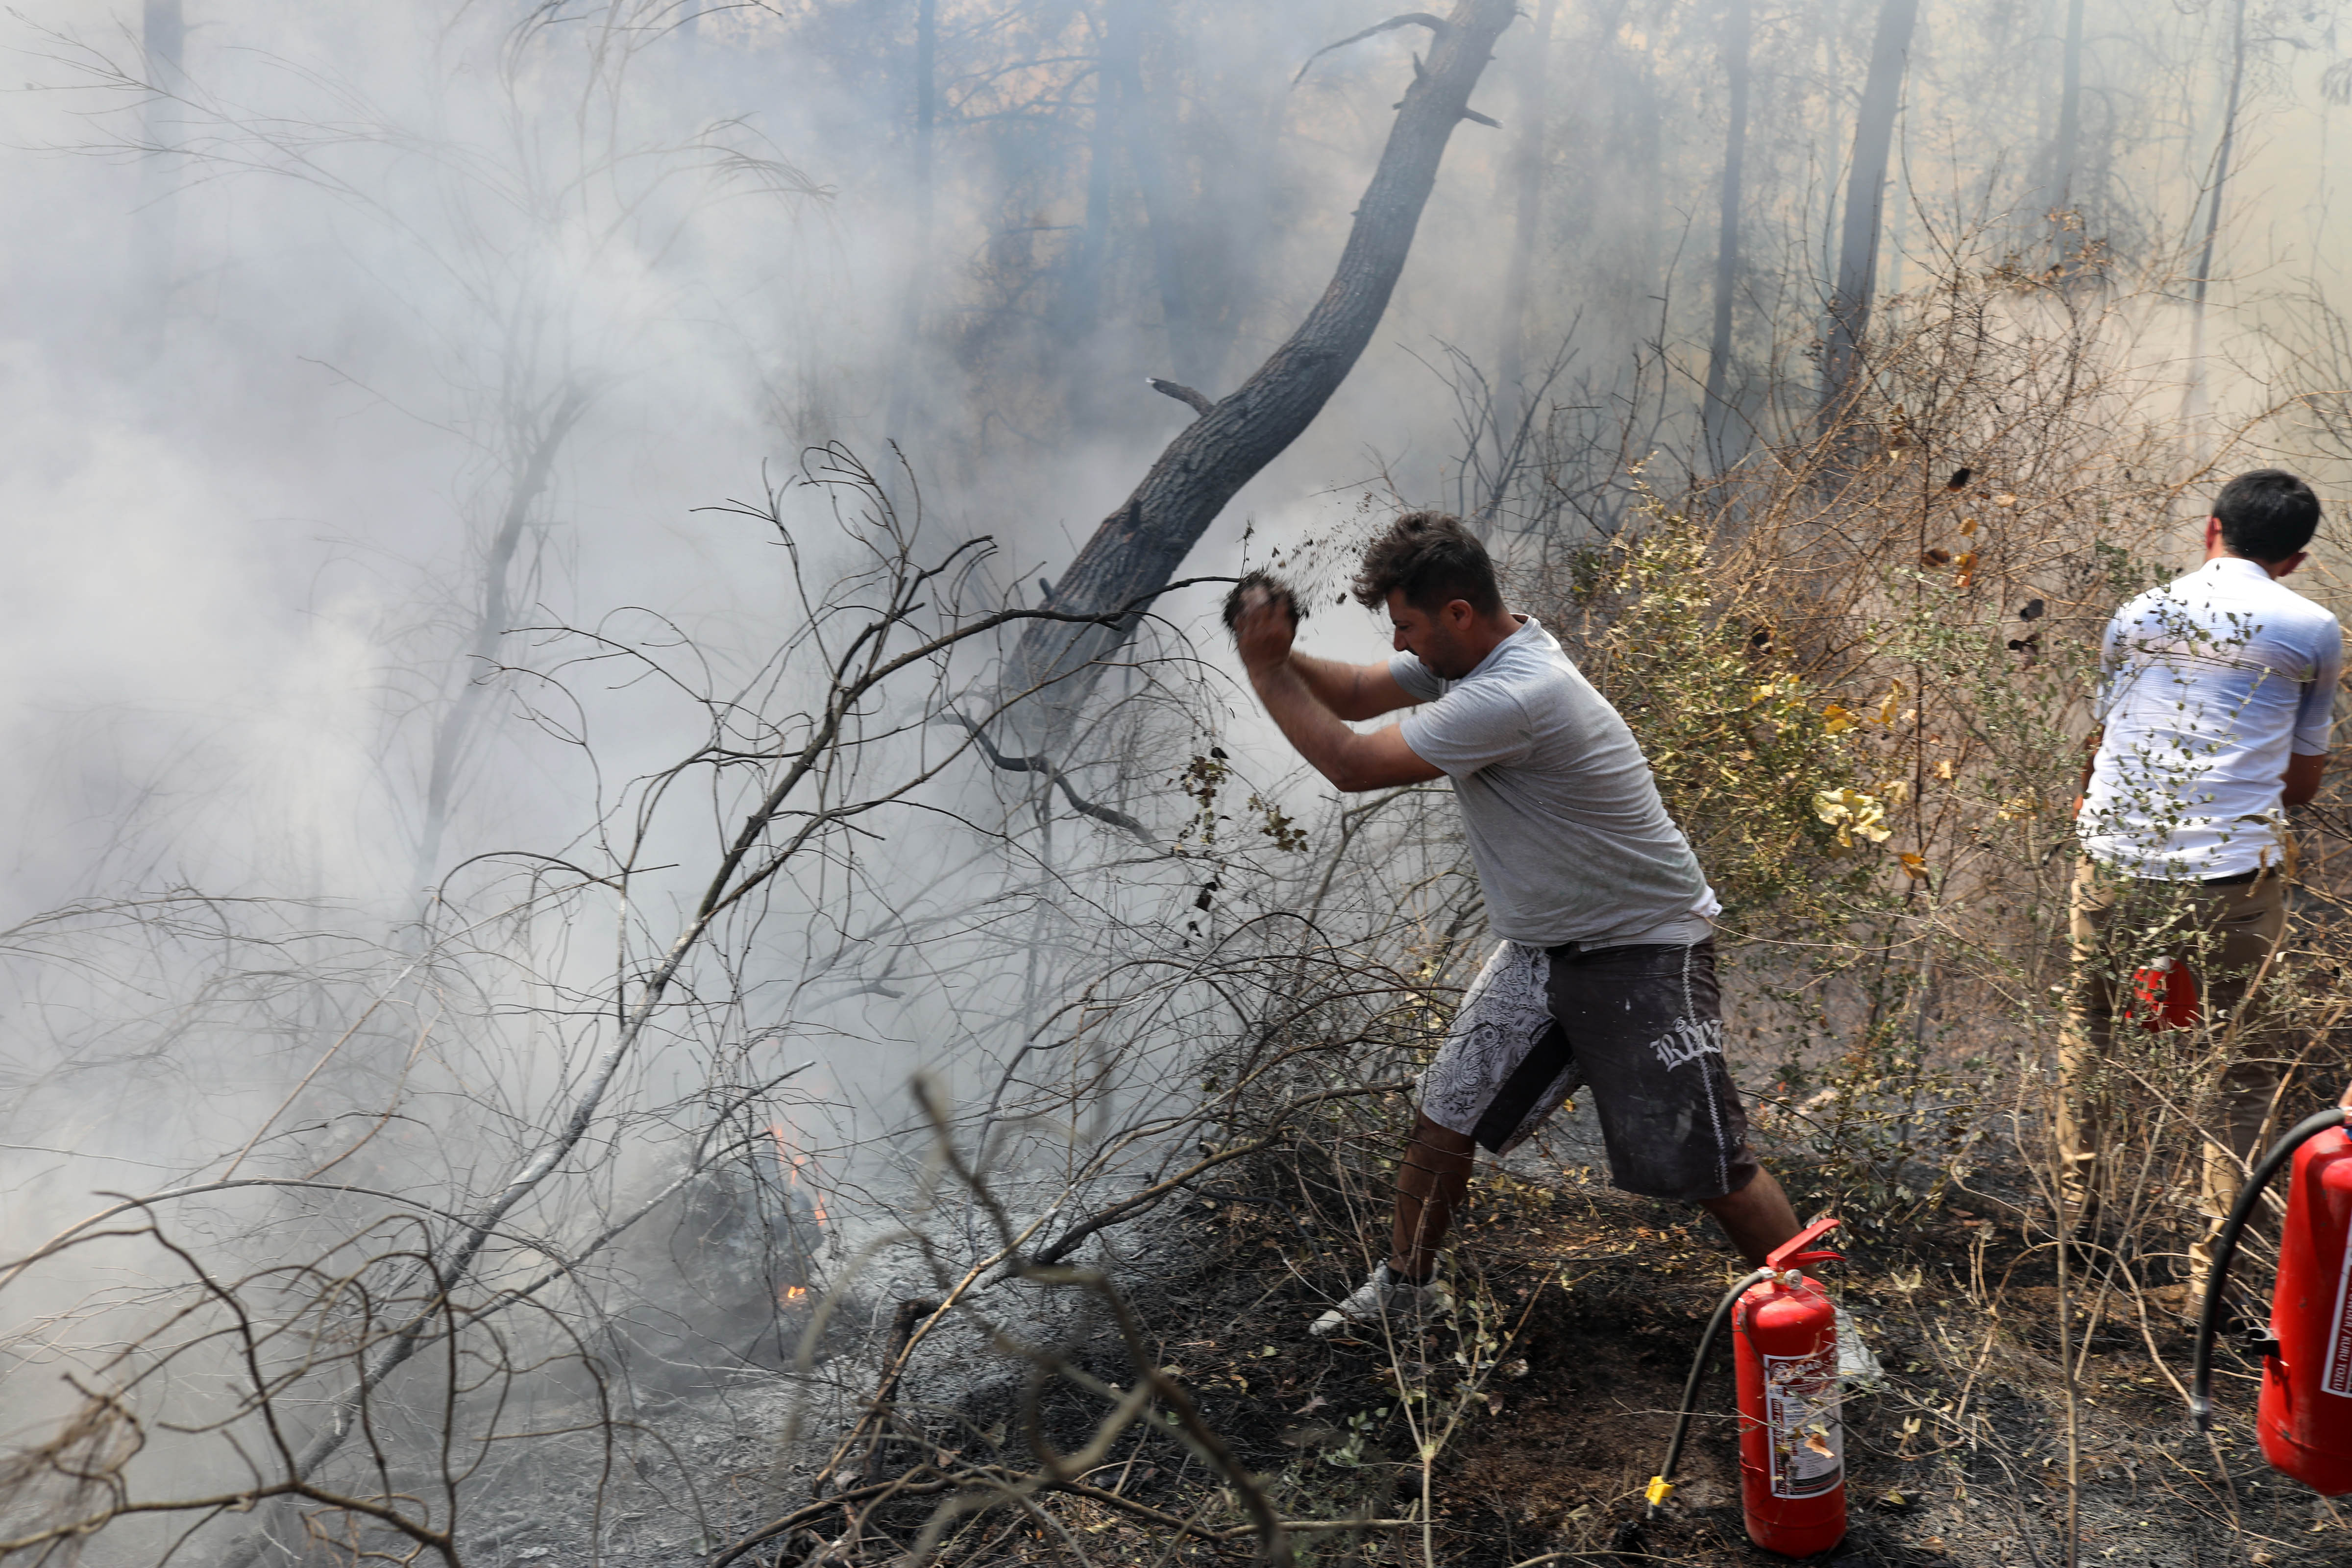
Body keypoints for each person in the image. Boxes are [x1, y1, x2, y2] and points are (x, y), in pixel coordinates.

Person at [1228, 511, 1851, 1351]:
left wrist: (1266, 672)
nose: (1402, 645)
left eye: (1408, 625)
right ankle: (1408, 1291)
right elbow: (1349, 693)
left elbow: (1350, 762)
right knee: (1442, 1118)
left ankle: (1822, 1328)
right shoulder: (1479, 655)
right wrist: (1278, 648)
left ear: (1457, 614)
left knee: (1712, 1164)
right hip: (1542, 949)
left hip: (1643, 949)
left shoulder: (1516, 692)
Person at [2063, 470, 2340, 1293]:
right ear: (2293, 559)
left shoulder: (2138, 612)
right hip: (2228, 879)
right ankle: (2207, 1275)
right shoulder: (2314, 628)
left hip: (2113, 862)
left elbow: (2104, 740)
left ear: (2209, 529)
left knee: (2091, 1030)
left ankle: (2076, 1224)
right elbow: (2301, 786)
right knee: (2244, 1067)